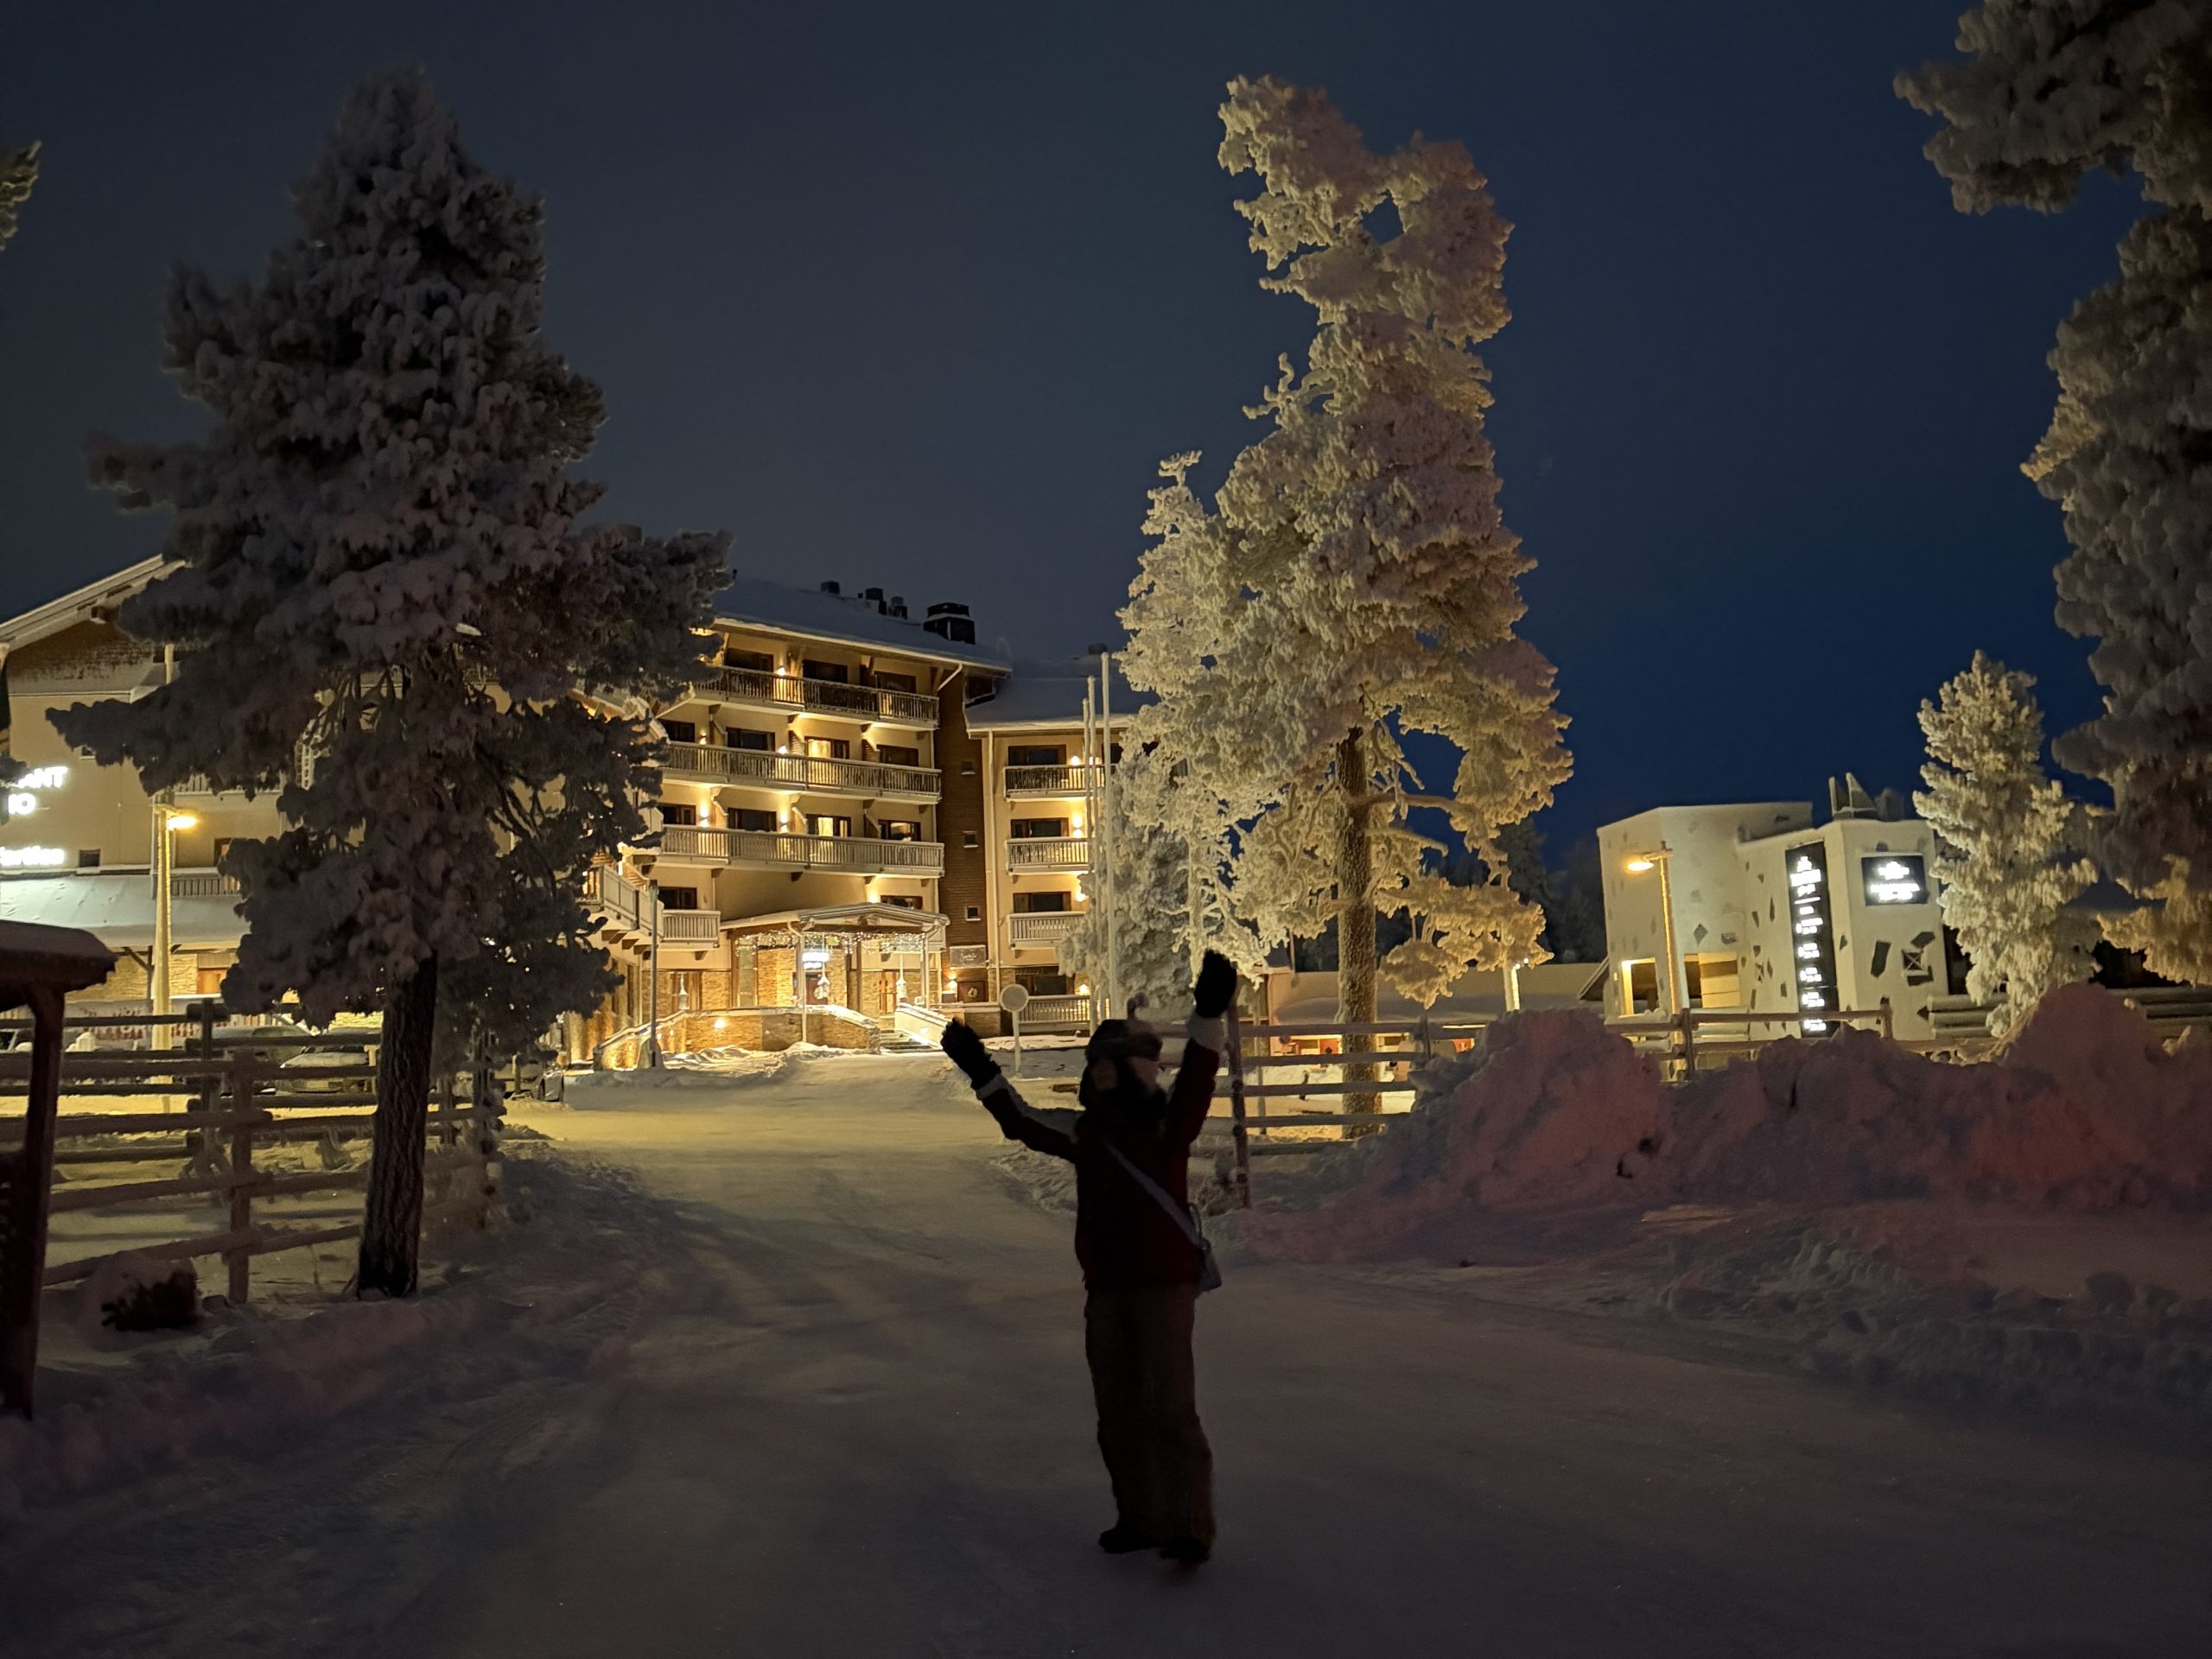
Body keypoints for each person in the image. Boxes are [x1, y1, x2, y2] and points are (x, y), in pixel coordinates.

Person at [940, 950, 1237, 1567]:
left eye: (1109, 1064)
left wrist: (1209, 1012)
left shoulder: (1167, 1128)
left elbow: (1200, 1076)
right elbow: (1020, 1122)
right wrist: (982, 1069)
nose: (1098, 1074)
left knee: (1169, 1407)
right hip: (1106, 1289)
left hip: (1162, 1288)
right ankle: (1140, 1518)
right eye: (1092, 1065)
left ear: (1136, 1069)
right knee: (1117, 1411)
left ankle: (1188, 1527)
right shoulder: (1086, 1134)